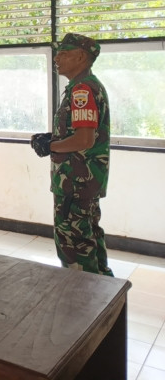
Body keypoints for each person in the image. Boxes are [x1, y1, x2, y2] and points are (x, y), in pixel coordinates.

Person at [30, 33, 112, 276]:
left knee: (74, 246)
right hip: (82, 183)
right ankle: (104, 297)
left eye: (64, 53)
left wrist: (50, 146)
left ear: (81, 57)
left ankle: (83, 301)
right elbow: (82, 132)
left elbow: (84, 139)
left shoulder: (83, 90)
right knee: (89, 238)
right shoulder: (84, 86)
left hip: (75, 184)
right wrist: (53, 138)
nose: (57, 58)